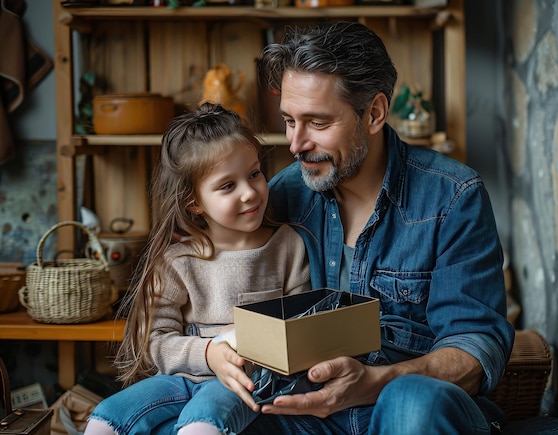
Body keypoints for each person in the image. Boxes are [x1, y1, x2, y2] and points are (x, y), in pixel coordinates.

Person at [236, 21, 515, 434]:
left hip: (409, 410)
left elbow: (475, 348)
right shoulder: (281, 196)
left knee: (412, 400)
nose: (295, 144)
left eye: (317, 122)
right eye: (289, 121)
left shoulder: (453, 197)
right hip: (313, 415)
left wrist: (371, 384)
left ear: (375, 113)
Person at [84, 102, 311, 435]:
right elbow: (157, 341)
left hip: (245, 379)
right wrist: (209, 354)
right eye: (227, 186)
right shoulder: (178, 260)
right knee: (105, 417)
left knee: (201, 425)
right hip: (180, 378)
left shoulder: (287, 246)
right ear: (194, 201)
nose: (250, 193)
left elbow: (300, 328)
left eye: (254, 174)